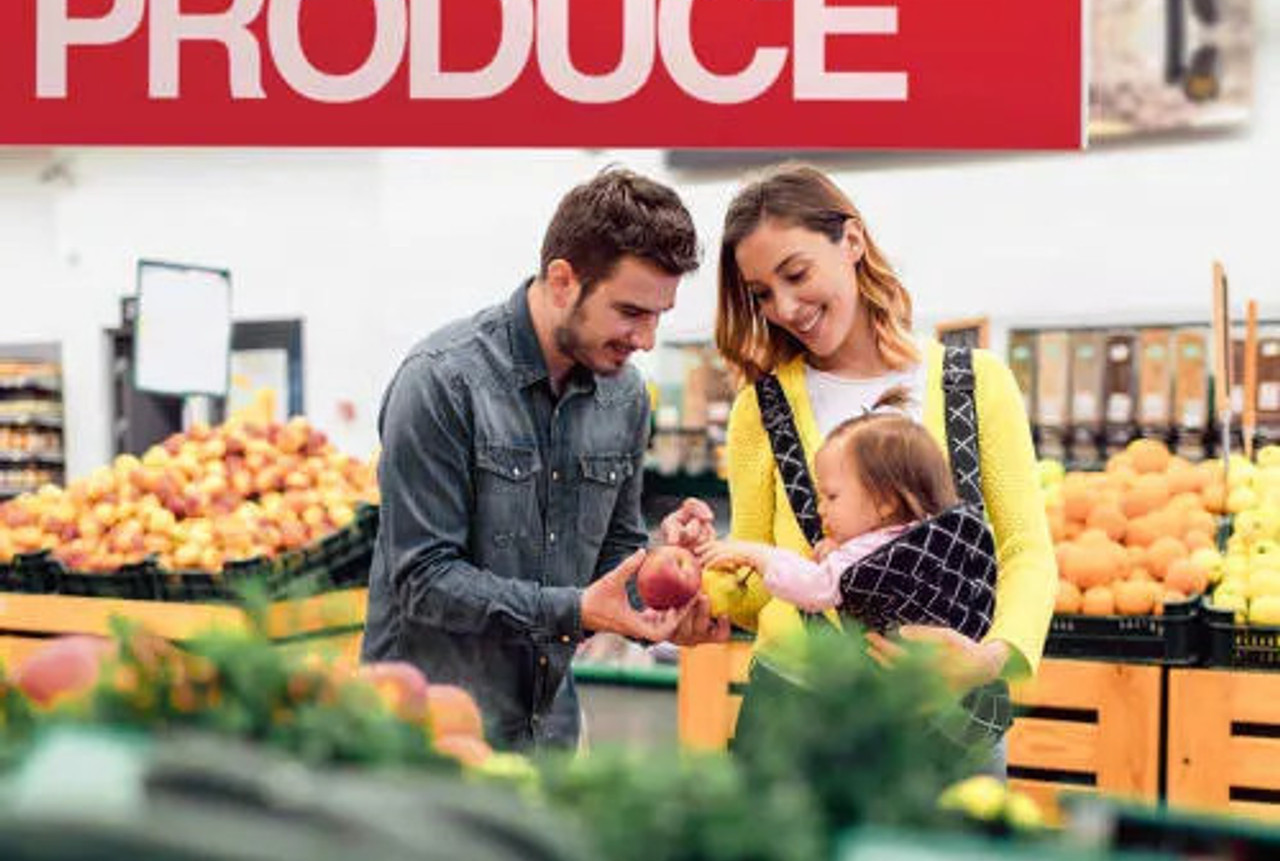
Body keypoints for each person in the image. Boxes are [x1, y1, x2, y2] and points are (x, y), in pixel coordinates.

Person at [664, 163, 1056, 748]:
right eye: (763, 294)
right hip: (795, 716)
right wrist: (695, 576)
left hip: (946, 714)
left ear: (851, 241)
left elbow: (1024, 550)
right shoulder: (760, 409)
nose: (787, 307)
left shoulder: (975, 384)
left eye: (797, 274)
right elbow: (753, 587)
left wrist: (991, 658)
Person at [363, 167, 727, 751]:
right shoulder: (442, 381)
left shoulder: (625, 396)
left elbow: (612, 554)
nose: (647, 339)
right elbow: (423, 581)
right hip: (427, 737)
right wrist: (576, 608)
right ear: (563, 281)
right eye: (631, 312)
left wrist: (661, 577)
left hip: (550, 731)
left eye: (659, 315)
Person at [697, 387, 978, 615]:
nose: (821, 508)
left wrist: (758, 555)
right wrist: (839, 556)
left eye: (832, 496)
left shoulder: (871, 552)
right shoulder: (926, 539)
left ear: (885, 502)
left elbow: (816, 587)